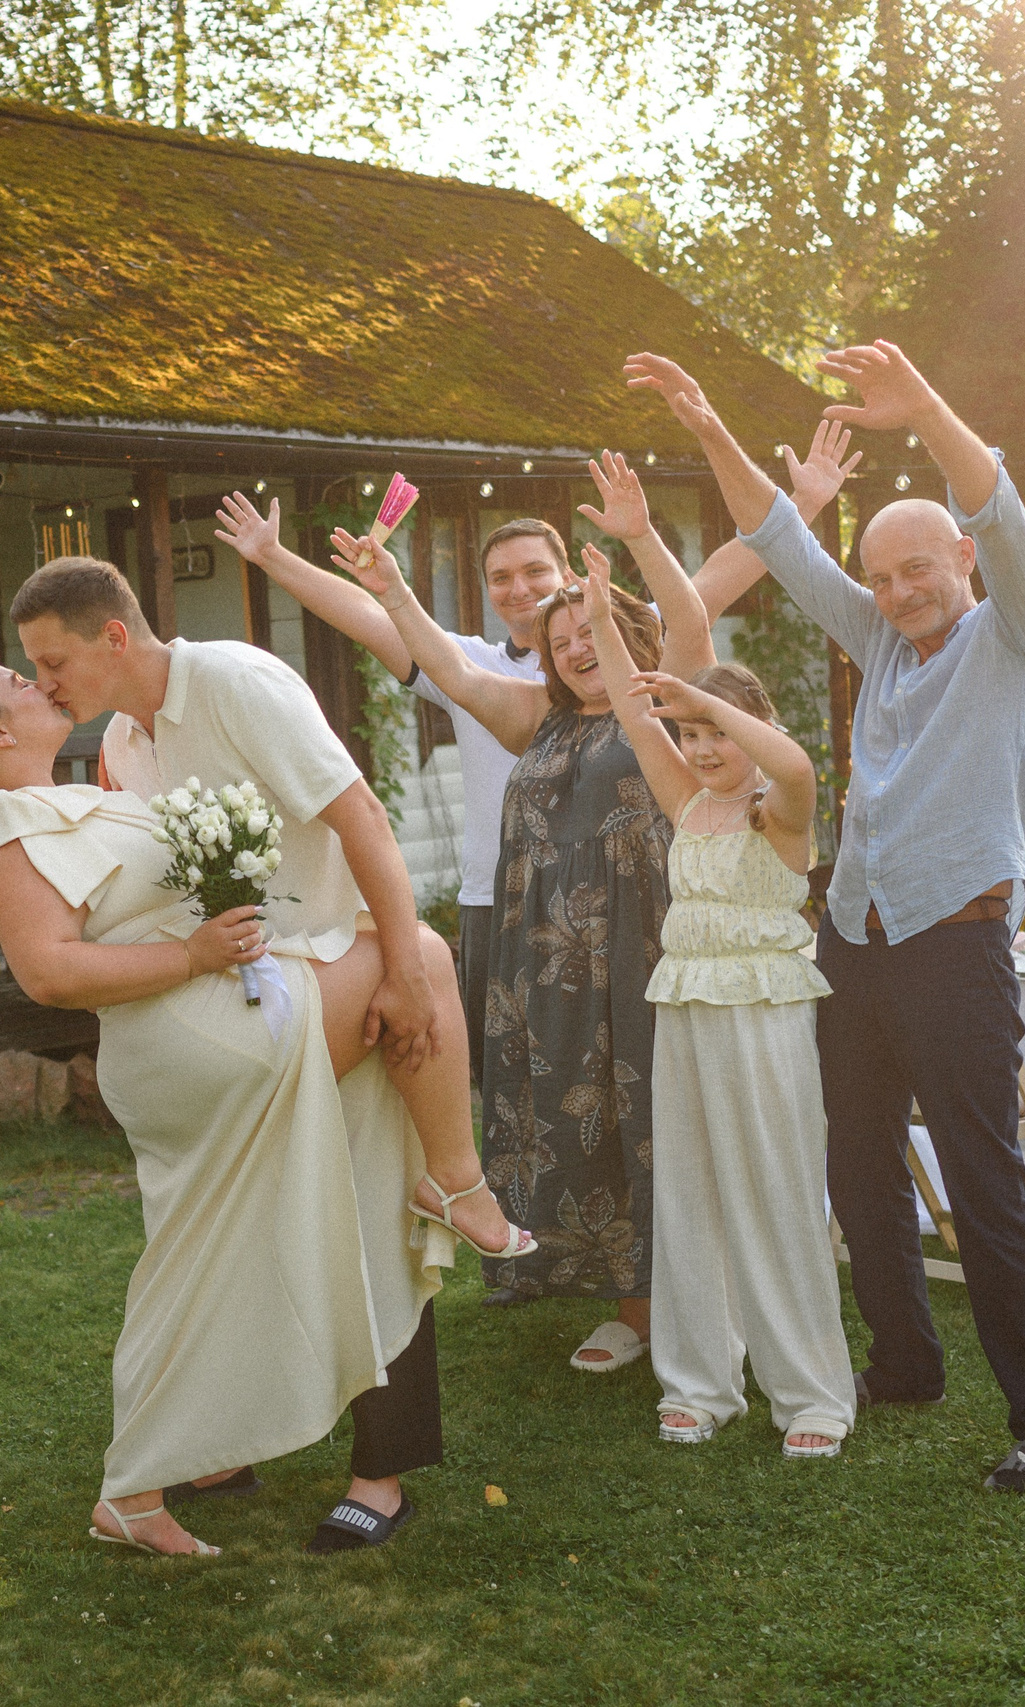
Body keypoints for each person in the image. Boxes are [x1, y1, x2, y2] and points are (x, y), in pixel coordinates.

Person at [627, 339, 1025, 1494]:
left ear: (964, 563)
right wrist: (704, 427)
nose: (893, 595)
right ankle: (905, 1363)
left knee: (982, 1181)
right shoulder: (878, 638)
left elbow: (997, 499)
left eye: (915, 572)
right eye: (879, 579)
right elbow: (781, 538)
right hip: (856, 942)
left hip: (957, 941)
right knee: (855, 1165)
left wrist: (922, 405)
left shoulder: (1018, 637)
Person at [14, 556, 500, 1552]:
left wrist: (404, 968)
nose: (44, 684)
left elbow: (358, 814)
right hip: (240, 1013)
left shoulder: (237, 680)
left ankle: (382, 1473)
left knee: (365, 1223)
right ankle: (229, 1440)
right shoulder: (121, 744)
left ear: (114, 635)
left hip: (342, 991)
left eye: (53, 661)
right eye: (32, 669)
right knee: (245, 1234)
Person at [0, 659, 458, 1557]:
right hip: (202, 1033)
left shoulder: (97, 784)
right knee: (419, 956)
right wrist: (201, 956)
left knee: (204, 1260)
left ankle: (161, 1476)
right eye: (21, 677)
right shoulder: (10, 820)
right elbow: (50, 972)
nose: (44, 680)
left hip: (218, 1023)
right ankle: (461, 1180)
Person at [210, 441, 863, 1101]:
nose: (518, 588)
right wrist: (273, 556)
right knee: (522, 1082)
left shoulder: (638, 665)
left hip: (630, 903)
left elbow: (715, 581)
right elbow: (376, 620)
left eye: (534, 573)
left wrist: (803, 502)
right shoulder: (479, 672)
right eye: (500, 577)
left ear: (571, 575)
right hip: (505, 900)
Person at [335, 525, 707, 1375]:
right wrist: (396, 589)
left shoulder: (666, 702)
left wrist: (642, 533)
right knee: (573, 1117)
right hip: (545, 958)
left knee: (647, 1114)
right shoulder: (535, 715)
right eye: (560, 640)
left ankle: (663, 1305)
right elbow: (456, 671)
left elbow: (689, 621)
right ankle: (626, 1299)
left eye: (591, 634)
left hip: (642, 949)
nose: (576, 650)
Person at [580, 570, 855, 1458]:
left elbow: (797, 761)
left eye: (714, 733)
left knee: (775, 1189)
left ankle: (811, 1394)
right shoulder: (688, 803)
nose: (700, 748)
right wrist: (601, 621)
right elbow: (633, 712)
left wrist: (710, 696)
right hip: (688, 1008)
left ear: (750, 728)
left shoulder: (780, 812)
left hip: (766, 1014)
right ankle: (700, 1381)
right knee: (690, 1192)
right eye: (691, 733)